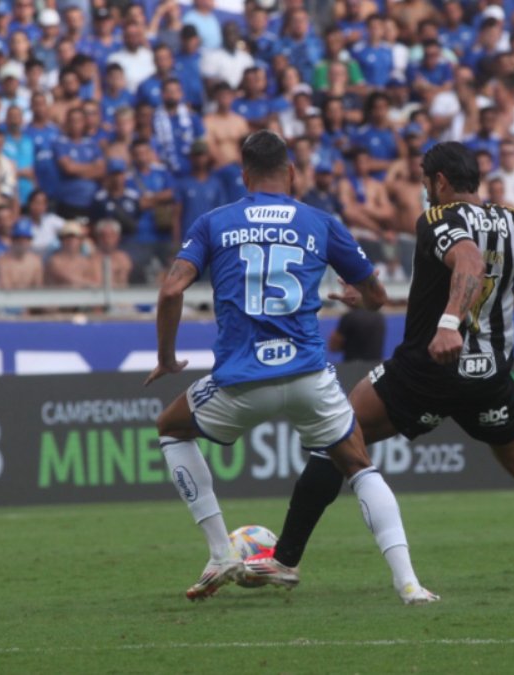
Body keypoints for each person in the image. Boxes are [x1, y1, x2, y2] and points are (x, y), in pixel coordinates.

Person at [244, 142, 514, 591]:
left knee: (335, 437)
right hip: (490, 376)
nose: (423, 191)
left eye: (424, 181)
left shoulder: (437, 218)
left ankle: (285, 559)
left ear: (439, 182)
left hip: (427, 371)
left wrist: (450, 324)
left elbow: (469, 262)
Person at [145, 130, 438, 604]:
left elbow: (171, 291)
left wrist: (165, 357)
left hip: (240, 381)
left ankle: (222, 552)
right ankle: (409, 583)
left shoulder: (214, 222)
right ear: (293, 173)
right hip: (308, 374)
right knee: (359, 465)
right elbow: (378, 296)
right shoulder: (319, 221)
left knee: (170, 427)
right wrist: (355, 295)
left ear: (244, 176)